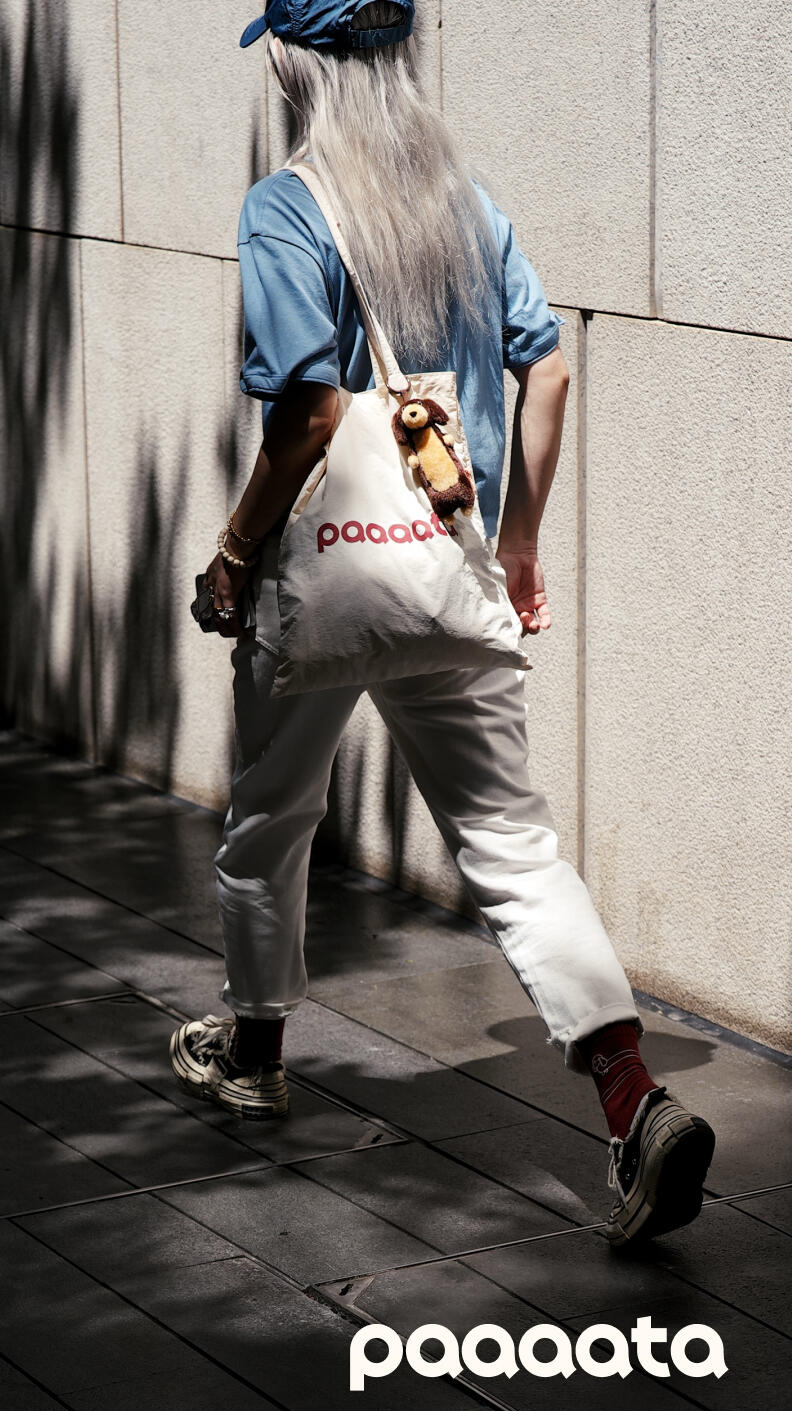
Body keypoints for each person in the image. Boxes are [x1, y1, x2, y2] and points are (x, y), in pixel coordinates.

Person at [168, 0, 715, 1248]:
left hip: (325, 584)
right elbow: (551, 365)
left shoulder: (285, 208)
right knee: (517, 852)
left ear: (300, 62)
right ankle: (633, 1098)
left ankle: (254, 1050)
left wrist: (234, 552)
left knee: (271, 817)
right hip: (451, 570)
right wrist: (517, 542)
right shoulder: (462, 204)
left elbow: (306, 413)